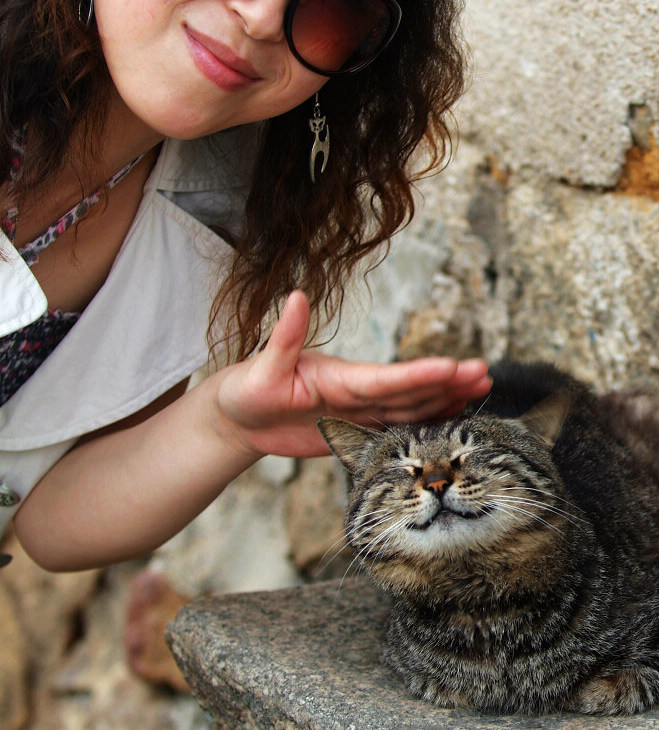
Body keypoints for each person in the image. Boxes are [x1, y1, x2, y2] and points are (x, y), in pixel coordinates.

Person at [0, 0, 491, 572]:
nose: (259, 16)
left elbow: (46, 518)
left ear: (368, 41)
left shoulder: (213, 200)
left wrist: (225, 427)